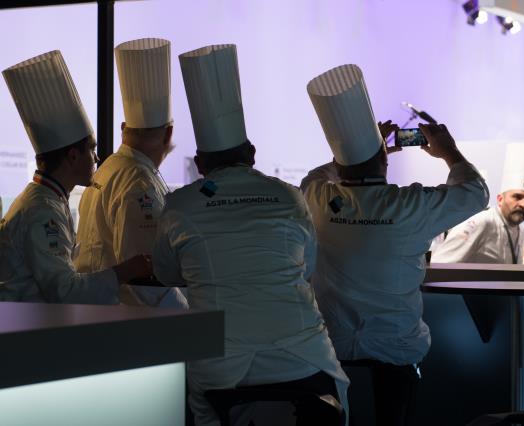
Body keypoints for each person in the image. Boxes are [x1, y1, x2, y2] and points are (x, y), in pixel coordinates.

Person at [152, 44, 349, 426]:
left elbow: (166, 274)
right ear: (253, 153)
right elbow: (305, 265)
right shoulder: (288, 195)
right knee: (336, 401)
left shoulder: (180, 205)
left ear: (201, 164)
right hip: (302, 353)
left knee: (203, 406)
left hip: (220, 362)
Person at [301, 64, 489, 426]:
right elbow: (475, 192)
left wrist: (354, 155)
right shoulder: (410, 205)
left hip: (330, 353)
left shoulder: (319, 198)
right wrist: (450, 153)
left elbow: (316, 176)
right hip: (396, 353)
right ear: (384, 158)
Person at [0, 50, 151, 303]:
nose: (96, 158)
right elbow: (64, 291)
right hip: (22, 332)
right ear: (72, 156)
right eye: (91, 150)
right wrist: (125, 271)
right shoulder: (41, 211)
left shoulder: (46, 199)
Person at [74, 38, 186, 308]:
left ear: (123, 128)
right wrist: (188, 313)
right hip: (124, 321)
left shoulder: (109, 168)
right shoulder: (139, 182)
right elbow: (144, 276)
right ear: (169, 133)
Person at [430, 142, 524, 264]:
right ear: (500, 199)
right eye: (517, 197)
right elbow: (440, 264)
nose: (523, 204)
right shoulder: (481, 222)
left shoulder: (521, 232)